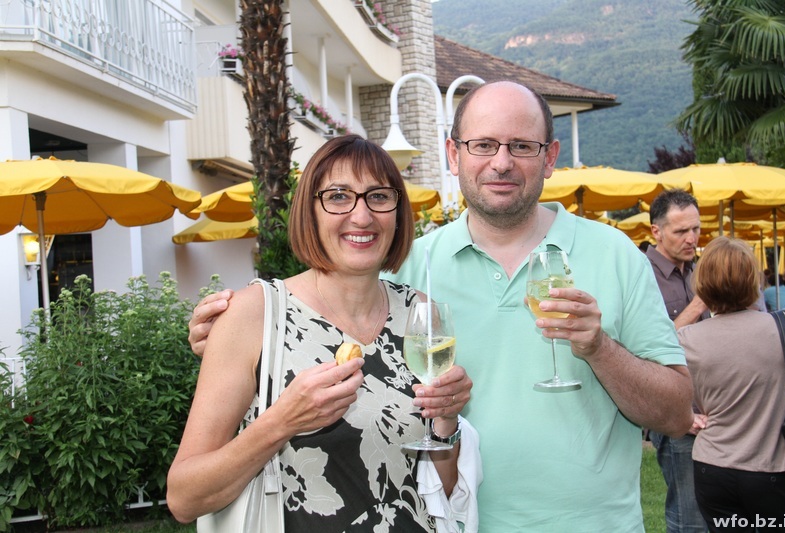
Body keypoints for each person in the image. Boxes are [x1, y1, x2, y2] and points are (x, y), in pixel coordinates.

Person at [188, 81, 693, 530]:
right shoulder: (408, 269)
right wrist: (234, 336)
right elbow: (329, 314)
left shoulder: (617, 256)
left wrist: (599, 348)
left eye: (521, 145)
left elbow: (675, 415)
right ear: (454, 154)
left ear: (550, 156)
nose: (501, 162)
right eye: (483, 145)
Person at [167, 135, 478, 532]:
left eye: (379, 197)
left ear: (398, 212)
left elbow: (439, 491)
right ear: (309, 212)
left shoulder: (419, 314)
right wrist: (281, 422)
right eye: (338, 197)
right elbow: (184, 499)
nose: (362, 216)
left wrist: (446, 420)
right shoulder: (253, 314)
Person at [678, 236, 785, 531]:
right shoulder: (781, 327)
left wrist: (687, 418)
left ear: (702, 284)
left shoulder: (687, 339)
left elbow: (655, 355)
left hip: (713, 468)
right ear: (752, 281)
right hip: (774, 466)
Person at [645, 189, 709, 533]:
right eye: (681, 231)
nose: (692, 239)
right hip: (674, 411)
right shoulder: (641, 274)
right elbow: (647, 347)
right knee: (690, 517)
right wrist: (699, 305)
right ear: (656, 231)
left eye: (696, 229)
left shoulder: (698, 271)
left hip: (713, 406)